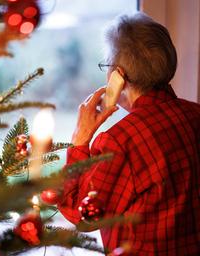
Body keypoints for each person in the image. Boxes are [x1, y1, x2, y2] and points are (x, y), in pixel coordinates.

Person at [57, 12, 200, 255]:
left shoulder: (120, 141)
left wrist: (80, 140)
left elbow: (81, 212)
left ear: (118, 76)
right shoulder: (196, 114)